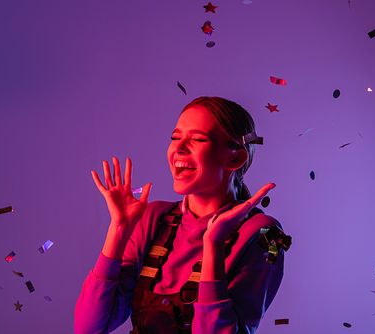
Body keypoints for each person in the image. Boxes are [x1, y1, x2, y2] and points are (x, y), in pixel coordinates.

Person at [75, 97, 289, 334]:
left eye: (197, 139)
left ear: (235, 158)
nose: (178, 148)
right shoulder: (152, 217)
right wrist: (119, 229)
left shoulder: (268, 235)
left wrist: (214, 245)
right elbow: (89, 328)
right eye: (175, 138)